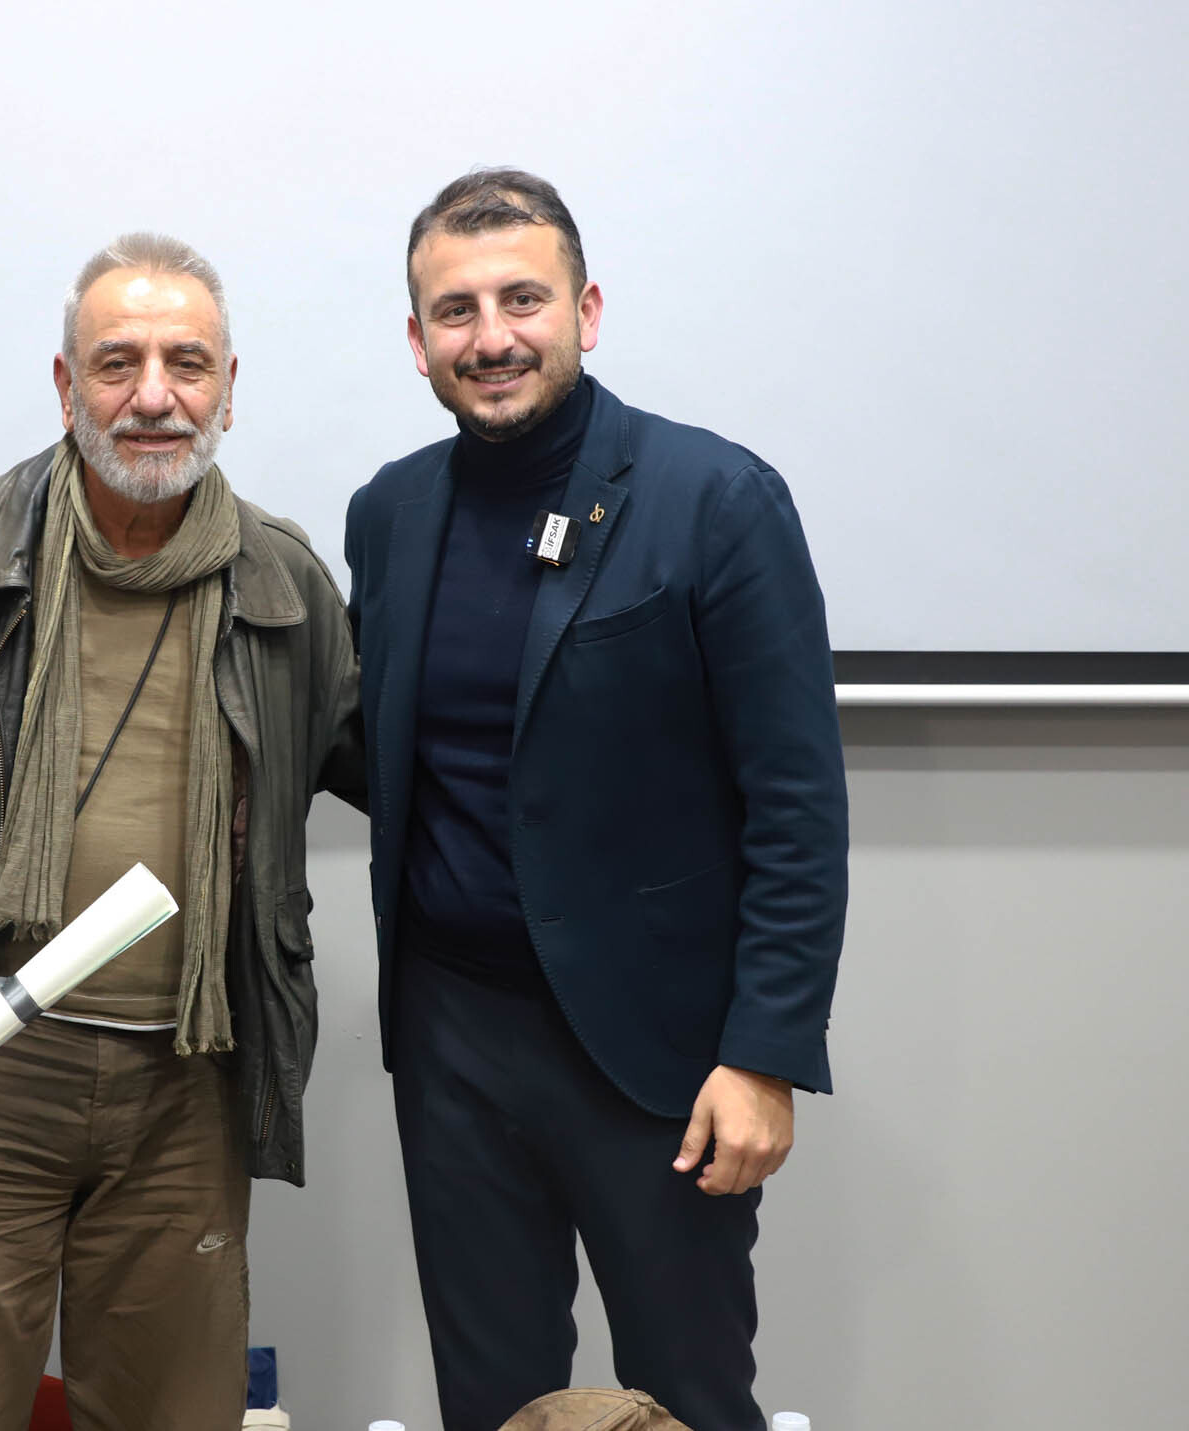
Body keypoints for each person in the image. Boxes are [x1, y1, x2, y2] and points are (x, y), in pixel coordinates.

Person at [345, 169, 849, 1431]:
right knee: (492, 1402)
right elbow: (399, 753)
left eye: (522, 299)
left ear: (585, 310)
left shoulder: (715, 499)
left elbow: (794, 802)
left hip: (656, 1053)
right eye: (455, 311)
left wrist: (763, 1055)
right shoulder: (388, 513)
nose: (491, 336)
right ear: (416, 339)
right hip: (453, 1039)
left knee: (686, 1398)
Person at [0, 233, 363, 1431]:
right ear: (64, 386)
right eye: (116, 363)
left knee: (172, 1414)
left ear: (228, 388)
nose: (153, 396)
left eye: (186, 364)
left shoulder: (286, 586)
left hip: (188, 1075)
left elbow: (381, 770)